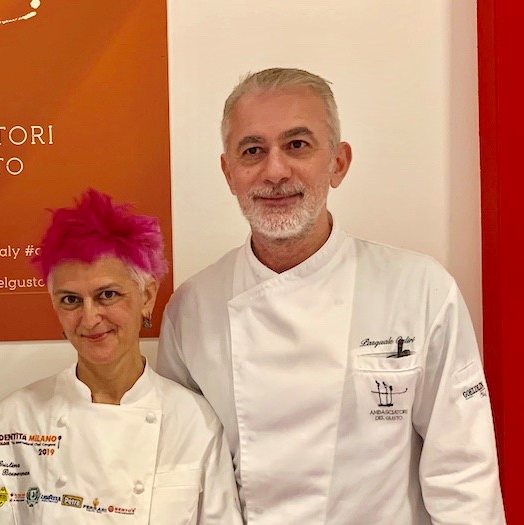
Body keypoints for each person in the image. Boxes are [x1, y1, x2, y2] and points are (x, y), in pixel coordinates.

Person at [156, 68, 506, 524]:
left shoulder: (419, 289)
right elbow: (187, 476)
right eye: (253, 151)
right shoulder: (192, 310)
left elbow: (463, 475)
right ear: (229, 172)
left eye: (297, 145)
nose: (275, 171)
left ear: (338, 163)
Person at [0, 189, 242, 524]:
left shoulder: (194, 424)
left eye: (107, 295)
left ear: (147, 297)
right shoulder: (15, 420)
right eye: (70, 300)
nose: (89, 318)